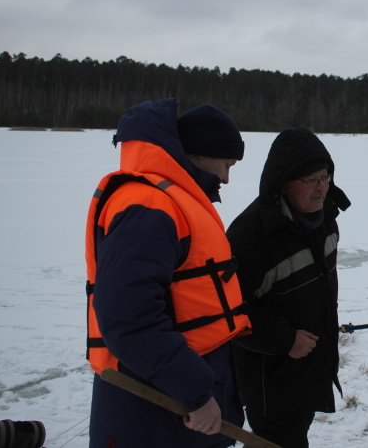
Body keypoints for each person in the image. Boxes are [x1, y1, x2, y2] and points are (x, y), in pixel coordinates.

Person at [85, 99, 252, 448]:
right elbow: (128, 318)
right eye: (226, 164)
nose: (225, 177)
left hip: (175, 401)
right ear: (202, 154)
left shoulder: (172, 200)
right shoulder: (148, 207)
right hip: (152, 407)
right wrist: (194, 393)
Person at [226, 128, 351, 448]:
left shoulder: (325, 219)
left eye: (325, 176)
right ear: (282, 183)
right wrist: (285, 340)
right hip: (272, 377)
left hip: (310, 365)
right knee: (277, 440)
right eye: (310, 180)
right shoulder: (251, 238)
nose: (322, 187)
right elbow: (228, 311)